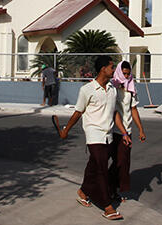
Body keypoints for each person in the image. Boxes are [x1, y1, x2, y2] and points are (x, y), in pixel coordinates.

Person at [58, 56, 130, 221]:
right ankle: (107, 206)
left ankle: (83, 192)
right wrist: (66, 130)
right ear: (103, 69)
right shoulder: (87, 90)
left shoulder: (112, 89)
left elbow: (115, 113)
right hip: (93, 134)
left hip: (108, 135)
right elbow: (78, 112)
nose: (114, 70)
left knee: (94, 166)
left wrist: (124, 133)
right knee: (101, 169)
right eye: (112, 67)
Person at [109, 61, 146, 201]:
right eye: (123, 73)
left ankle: (113, 189)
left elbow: (133, 109)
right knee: (117, 162)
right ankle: (107, 188)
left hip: (127, 130)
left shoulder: (131, 88)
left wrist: (141, 129)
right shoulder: (112, 87)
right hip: (114, 130)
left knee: (123, 163)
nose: (125, 76)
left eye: (128, 73)